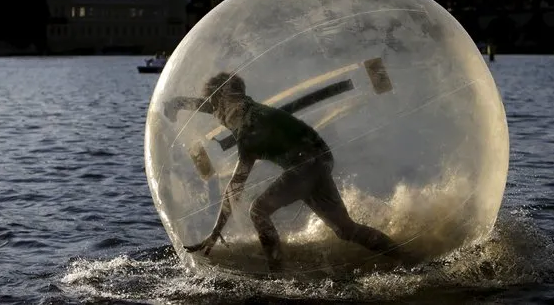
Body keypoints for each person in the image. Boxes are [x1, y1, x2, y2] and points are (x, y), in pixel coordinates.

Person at [164, 72, 406, 272]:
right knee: (345, 229)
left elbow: (235, 188)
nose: (215, 114)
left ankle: (277, 273)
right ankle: (405, 257)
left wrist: (215, 233)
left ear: (228, 98)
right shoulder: (241, 108)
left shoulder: (249, 128)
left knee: (258, 210)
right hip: (319, 160)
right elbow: (209, 104)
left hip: (307, 165)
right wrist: (176, 104)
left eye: (217, 106)